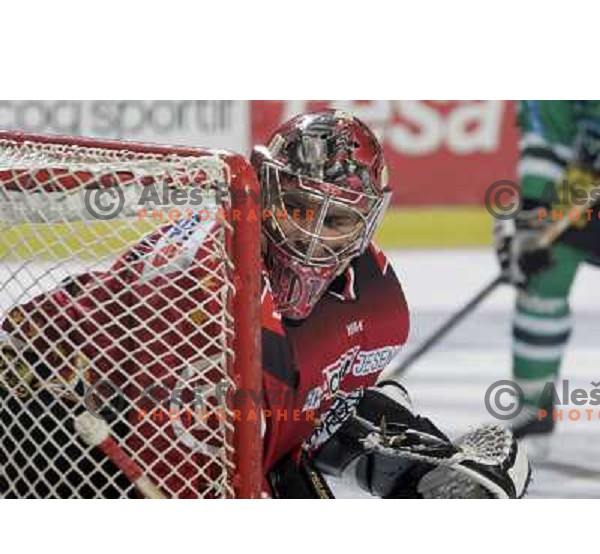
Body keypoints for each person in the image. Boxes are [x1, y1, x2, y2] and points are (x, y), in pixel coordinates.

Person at [0, 110, 529, 498]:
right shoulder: (208, 288)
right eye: (298, 208)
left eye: (338, 219)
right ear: (266, 190)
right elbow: (194, 483)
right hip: (72, 438)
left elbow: (303, 419)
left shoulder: (380, 303)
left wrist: (412, 462)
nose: (313, 237)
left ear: (370, 219)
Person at [494, 101, 600, 456]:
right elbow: (548, 134)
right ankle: (533, 409)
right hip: (590, 188)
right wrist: (532, 215)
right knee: (544, 271)